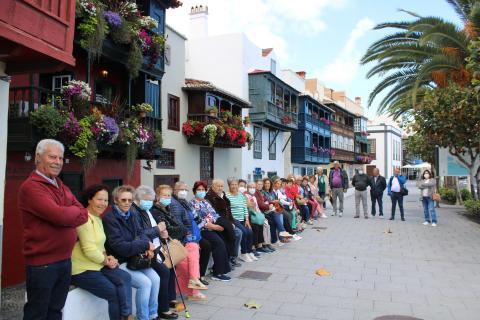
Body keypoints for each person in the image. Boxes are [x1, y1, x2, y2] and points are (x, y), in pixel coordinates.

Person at [19, 139, 88, 320]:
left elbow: (84, 214)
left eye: (60, 158)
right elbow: (60, 216)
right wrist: (67, 211)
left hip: (64, 260)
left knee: (56, 311)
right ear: (38, 157)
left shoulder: (60, 185)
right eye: (52, 157)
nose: (57, 162)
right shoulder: (31, 187)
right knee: (37, 313)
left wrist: (67, 211)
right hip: (43, 264)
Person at [72, 185, 133, 320]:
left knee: (125, 277)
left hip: (97, 265)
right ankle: (126, 316)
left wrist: (109, 258)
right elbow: (89, 250)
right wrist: (106, 261)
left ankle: (126, 314)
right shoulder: (84, 219)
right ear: (89, 200)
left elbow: (99, 246)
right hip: (82, 269)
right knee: (113, 293)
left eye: (106, 200)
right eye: (99, 199)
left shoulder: (98, 218)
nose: (103, 204)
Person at [103, 185, 160, 320]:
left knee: (156, 279)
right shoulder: (110, 218)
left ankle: (153, 314)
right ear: (116, 200)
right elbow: (120, 246)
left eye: (130, 200)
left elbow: (141, 233)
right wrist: (144, 244)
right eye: (123, 200)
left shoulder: (132, 214)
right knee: (145, 283)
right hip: (120, 260)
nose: (127, 203)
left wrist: (147, 248)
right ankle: (143, 317)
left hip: (135, 258)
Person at [133, 185, 179, 319]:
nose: (149, 202)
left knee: (168, 269)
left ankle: (165, 303)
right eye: (146, 199)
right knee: (163, 272)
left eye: (150, 199)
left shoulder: (146, 210)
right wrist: (158, 230)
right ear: (138, 199)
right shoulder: (136, 212)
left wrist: (162, 231)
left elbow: (155, 226)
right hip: (146, 252)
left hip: (157, 248)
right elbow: (140, 233)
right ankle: (162, 309)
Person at [170, 182, 209, 300]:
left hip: (189, 236)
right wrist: (190, 238)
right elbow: (179, 225)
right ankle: (194, 285)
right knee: (191, 253)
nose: (184, 191)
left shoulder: (184, 203)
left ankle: (194, 283)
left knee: (194, 251)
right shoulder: (175, 204)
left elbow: (196, 218)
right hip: (180, 239)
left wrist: (207, 224)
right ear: (175, 190)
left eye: (185, 189)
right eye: (181, 189)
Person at [191, 181, 231, 282]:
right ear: (194, 191)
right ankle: (217, 273)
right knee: (218, 243)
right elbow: (198, 220)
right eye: (199, 190)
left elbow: (214, 214)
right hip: (203, 230)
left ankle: (224, 268)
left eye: (203, 190)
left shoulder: (205, 202)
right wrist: (213, 226)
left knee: (225, 239)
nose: (201, 192)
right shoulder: (191, 204)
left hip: (212, 227)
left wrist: (218, 224)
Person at [205, 179, 242, 269]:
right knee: (233, 234)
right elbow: (214, 214)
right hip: (219, 222)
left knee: (239, 232)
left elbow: (229, 211)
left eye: (222, 186)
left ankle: (232, 257)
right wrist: (227, 224)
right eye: (218, 186)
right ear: (213, 186)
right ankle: (228, 258)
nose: (220, 188)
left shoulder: (223, 195)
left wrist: (231, 222)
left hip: (227, 221)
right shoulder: (210, 197)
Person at [226, 178, 256, 262]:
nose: (234, 186)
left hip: (243, 219)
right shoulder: (227, 195)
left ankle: (249, 252)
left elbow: (244, 208)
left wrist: (247, 220)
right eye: (232, 184)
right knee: (244, 232)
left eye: (235, 184)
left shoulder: (241, 195)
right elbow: (227, 210)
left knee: (250, 231)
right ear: (229, 186)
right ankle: (243, 253)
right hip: (234, 219)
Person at [261, 178, 292, 245]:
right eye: (266, 183)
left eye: (268, 183)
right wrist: (272, 202)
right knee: (277, 215)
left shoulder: (271, 192)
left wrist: (275, 202)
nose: (267, 185)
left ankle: (275, 240)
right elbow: (265, 201)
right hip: (266, 211)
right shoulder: (262, 192)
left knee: (276, 218)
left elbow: (278, 200)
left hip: (273, 209)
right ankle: (282, 234)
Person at [244, 182, 271, 254]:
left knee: (261, 224)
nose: (252, 189)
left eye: (253, 187)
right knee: (255, 227)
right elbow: (248, 207)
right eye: (250, 187)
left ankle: (260, 246)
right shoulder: (245, 195)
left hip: (256, 214)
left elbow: (257, 208)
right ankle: (254, 247)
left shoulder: (253, 197)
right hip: (249, 215)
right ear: (247, 188)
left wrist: (261, 216)